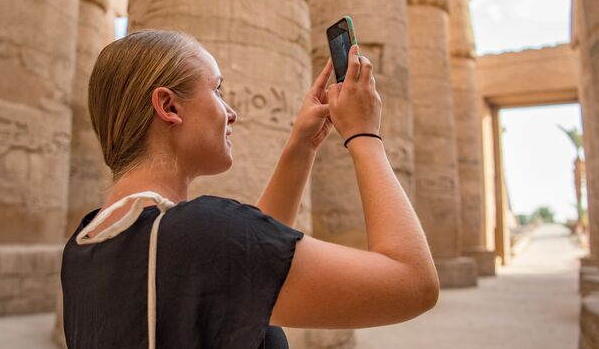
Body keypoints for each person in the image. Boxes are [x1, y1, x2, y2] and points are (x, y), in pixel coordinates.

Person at [61, 29, 439, 349]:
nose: (231, 112)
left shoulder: (84, 244)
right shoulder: (203, 234)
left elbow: (241, 271)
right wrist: (364, 135)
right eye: (217, 90)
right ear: (169, 105)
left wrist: (302, 146)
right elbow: (414, 283)